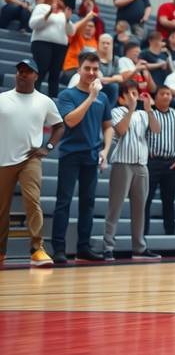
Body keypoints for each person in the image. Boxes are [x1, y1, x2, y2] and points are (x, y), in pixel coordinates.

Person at [51, 52, 114, 264]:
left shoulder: (103, 98)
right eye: (87, 68)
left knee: (88, 203)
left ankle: (83, 248)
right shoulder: (68, 95)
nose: (91, 72)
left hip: (92, 155)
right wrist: (91, 97)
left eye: (95, 69)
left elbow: (108, 127)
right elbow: (70, 121)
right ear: (79, 70)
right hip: (70, 154)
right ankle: (58, 248)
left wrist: (105, 151)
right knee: (64, 202)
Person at [0, 60, 63, 266]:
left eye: (27, 72)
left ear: (36, 76)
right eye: (20, 71)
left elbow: (59, 126)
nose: (22, 74)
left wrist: (49, 148)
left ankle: (37, 250)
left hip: (30, 158)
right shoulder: (3, 98)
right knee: (1, 208)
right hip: (3, 159)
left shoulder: (44, 101)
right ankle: (1, 251)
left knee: (33, 202)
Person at [102, 80, 162, 261]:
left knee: (140, 209)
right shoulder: (116, 112)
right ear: (121, 98)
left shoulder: (144, 115)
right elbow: (120, 130)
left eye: (136, 92)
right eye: (130, 93)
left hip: (141, 165)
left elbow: (157, 129)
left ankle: (139, 248)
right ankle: (107, 247)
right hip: (122, 164)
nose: (134, 96)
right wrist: (130, 109)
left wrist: (149, 109)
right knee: (115, 207)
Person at [145, 86, 175, 237]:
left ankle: (170, 235)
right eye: (162, 93)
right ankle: (143, 236)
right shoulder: (148, 114)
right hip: (152, 162)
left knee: (169, 202)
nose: (166, 96)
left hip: (171, 163)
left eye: (168, 94)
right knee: (146, 200)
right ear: (156, 98)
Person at [29, 0, 76, 97]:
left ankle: (53, 100)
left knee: (55, 75)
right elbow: (33, 24)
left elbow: (71, 32)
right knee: (41, 71)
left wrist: (68, 20)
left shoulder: (63, 11)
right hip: (42, 43)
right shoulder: (41, 7)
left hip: (60, 46)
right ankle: (33, 97)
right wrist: (49, 12)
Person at [61, 16, 98, 84]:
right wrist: (87, 18)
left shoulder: (96, 43)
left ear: (95, 29)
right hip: (71, 69)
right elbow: (73, 29)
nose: (88, 28)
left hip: (89, 70)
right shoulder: (75, 36)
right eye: (85, 26)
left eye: (91, 26)